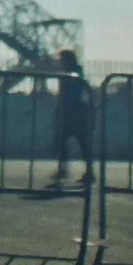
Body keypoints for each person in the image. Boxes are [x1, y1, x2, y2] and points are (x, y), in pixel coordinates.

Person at [53, 48, 93, 185]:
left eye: (62, 59)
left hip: (77, 113)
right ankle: (63, 170)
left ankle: (87, 172)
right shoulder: (68, 75)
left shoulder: (75, 75)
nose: (60, 62)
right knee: (64, 142)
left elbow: (75, 94)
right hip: (70, 112)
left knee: (81, 144)